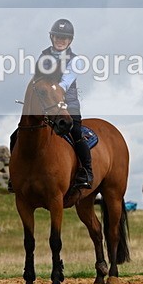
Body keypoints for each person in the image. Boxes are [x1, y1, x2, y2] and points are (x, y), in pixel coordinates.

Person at [41, 18, 93, 189]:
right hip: (47, 104)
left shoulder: (76, 60)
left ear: (70, 40)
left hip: (68, 105)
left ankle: (86, 171)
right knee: (19, 133)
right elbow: (38, 79)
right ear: (52, 38)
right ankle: (17, 175)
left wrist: (51, 94)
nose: (60, 40)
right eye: (57, 37)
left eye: (64, 38)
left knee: (76, 132)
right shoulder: (44, 56)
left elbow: (64, 84)